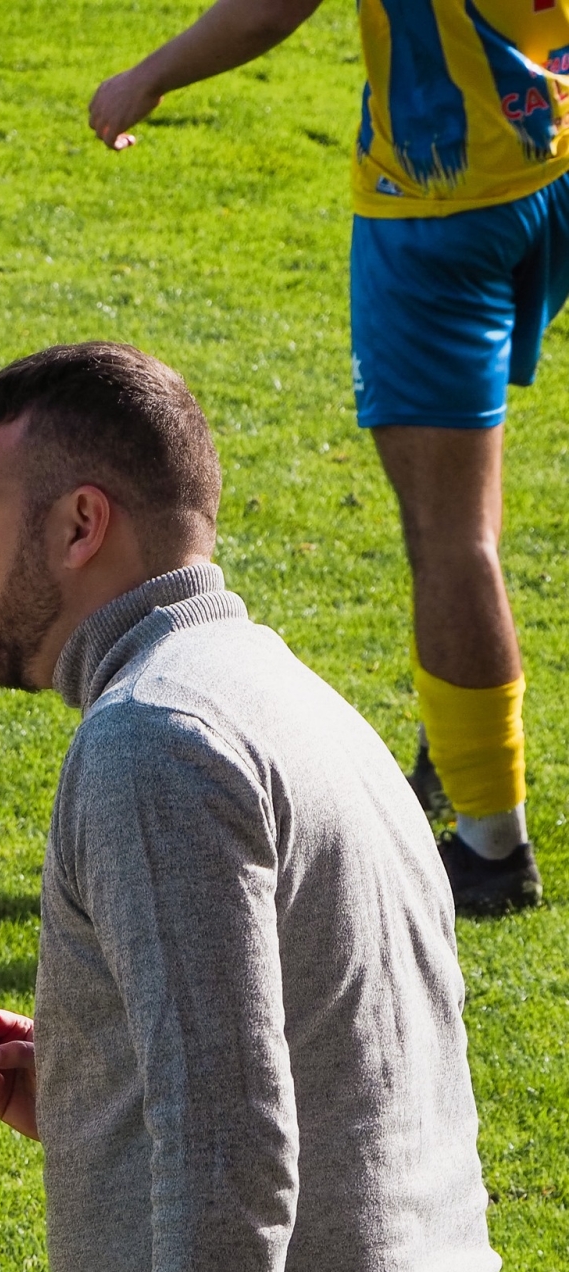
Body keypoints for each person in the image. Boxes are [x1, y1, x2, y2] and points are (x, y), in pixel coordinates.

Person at [0, 342, 499, 1272]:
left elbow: (229, 1138)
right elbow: (324, 1034)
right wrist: (92, 1086)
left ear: (82, 522)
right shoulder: (277, 691)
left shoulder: (153, 741)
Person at [85, 0, 569, 914]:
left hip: (440, 207)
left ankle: (490, 848)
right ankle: (452, 727)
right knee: (462, 496)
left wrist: (145, 77)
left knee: (450, 536)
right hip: (546, 158)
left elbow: (270, 9)